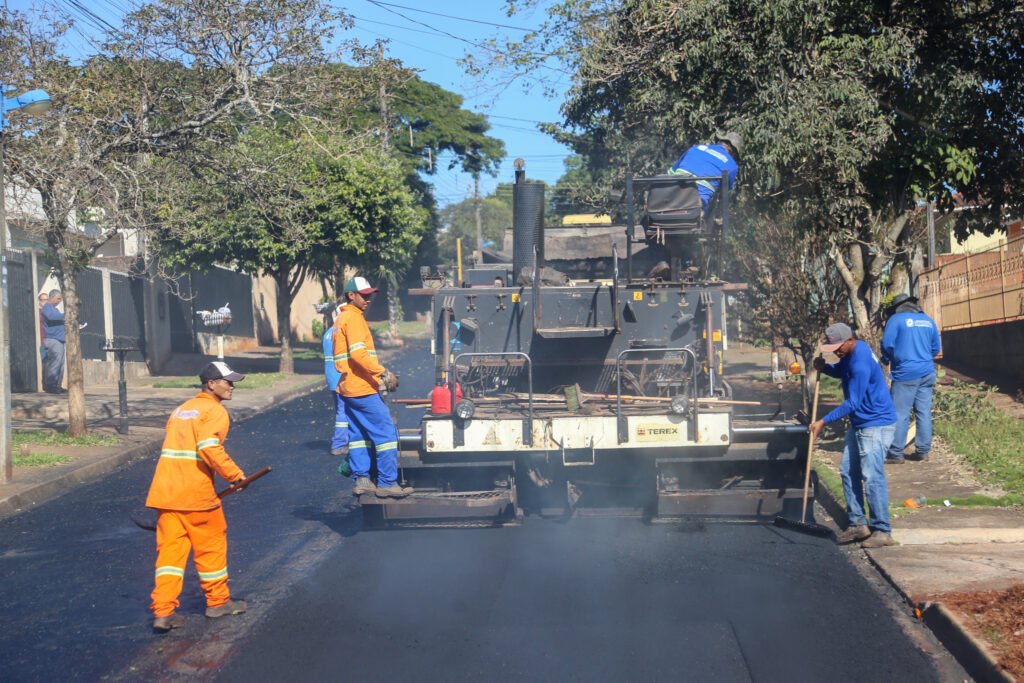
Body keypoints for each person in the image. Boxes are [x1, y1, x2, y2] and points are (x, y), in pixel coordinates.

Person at [145, 361, 249, 632]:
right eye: (227, 382)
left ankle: (163, 612)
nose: (232, 386)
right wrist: (235, 476)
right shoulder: (214, 411)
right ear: (211, 384)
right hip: (195, 495)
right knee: (211, 547)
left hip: (166, 494)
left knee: (170, 555)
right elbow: (208, 447)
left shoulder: (182, 410)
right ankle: (218, 602)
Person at [810, 322, 898, 548]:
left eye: (838, 347)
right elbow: (843, 372)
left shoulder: (860, 361)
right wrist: (826, 368)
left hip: (875, 424)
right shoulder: (853, 352)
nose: (836, 352)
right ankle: (858, 523)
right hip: (861, 422)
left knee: (871, 475)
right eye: (833, 348)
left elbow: (853, 402)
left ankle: (882, 530)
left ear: (849, 340)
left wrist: (823, 421)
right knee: (848, 470)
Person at [333, 276, 412, 498]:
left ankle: (363, 481)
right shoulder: (355, 319)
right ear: (351, 295)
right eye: (364, 295)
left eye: (370, 295)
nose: (368, 299)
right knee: (386, 434)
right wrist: (383, 373)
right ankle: (387, 483)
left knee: (358, 435)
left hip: (348, 387)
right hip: (362, 388)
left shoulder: (341, 319)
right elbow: (358, 354)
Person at [881, 293, 942, 464]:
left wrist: (890, 359)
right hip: (927, 372)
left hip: (905, 374)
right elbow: (936, 348)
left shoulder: (895, 320)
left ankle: (895, 453)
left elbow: (886, 345)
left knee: (900, 413)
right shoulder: (928, 320)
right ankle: (923, 451)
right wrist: (921, 358)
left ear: (896, 308)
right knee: (923, 412)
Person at [667, 131, 741, 215]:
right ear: (733, 153)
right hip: (695, 206)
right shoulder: (731, 165)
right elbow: (725, 192)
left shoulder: (696, 148)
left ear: (720, 142)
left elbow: (670, 173)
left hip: (669, 197)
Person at [322, 300, 350, 458]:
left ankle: (345, 441)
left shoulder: (327, 333)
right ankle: (339, 444)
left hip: (332, 377)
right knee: (343, 411)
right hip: (341, 377)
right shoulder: (341, 332)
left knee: (341, 410)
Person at [40, 289, 66, 393]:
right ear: (52, 297)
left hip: (59, 340)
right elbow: (52, 317)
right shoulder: (47, 308)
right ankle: (51, 386)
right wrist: (66, 315)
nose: (59, 301)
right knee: (55, 363)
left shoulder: (54, 309)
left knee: (60, 364)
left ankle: (57, 385)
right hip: (53, 340)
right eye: (58, 299)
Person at [37, 292, 49, 366]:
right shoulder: (37, 312)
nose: (45, 302)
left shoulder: (52, 311)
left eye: (46, 300)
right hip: (42, 342)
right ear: (39, 301)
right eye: (43, 300)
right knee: (44, 365)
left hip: (51, 342)